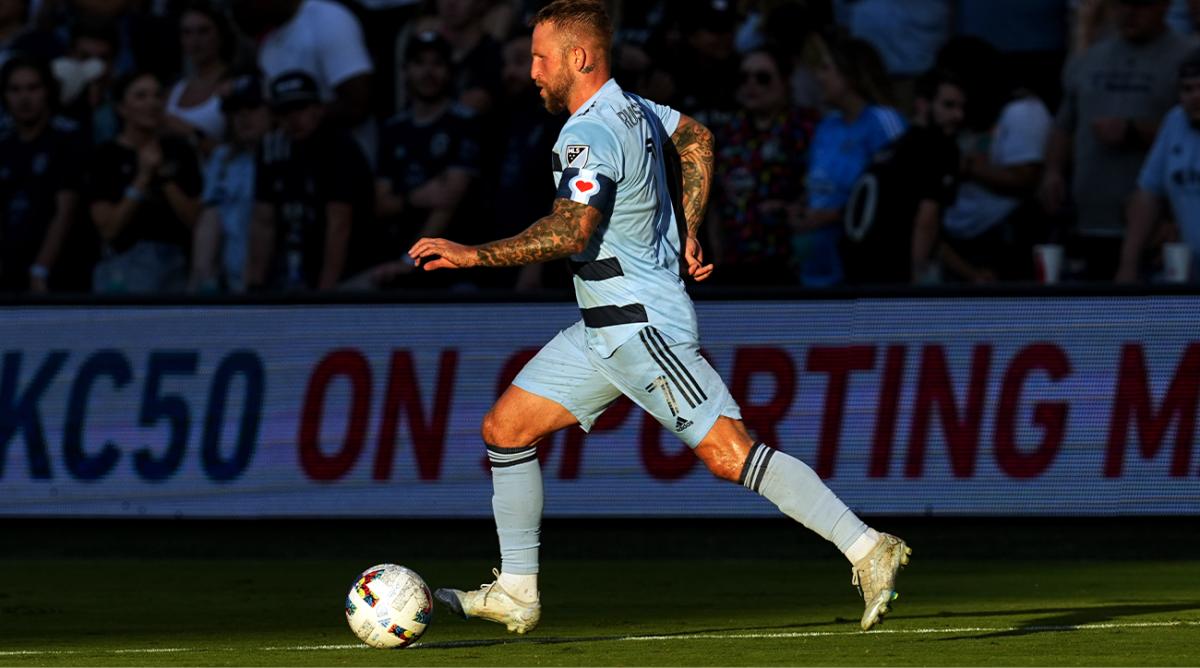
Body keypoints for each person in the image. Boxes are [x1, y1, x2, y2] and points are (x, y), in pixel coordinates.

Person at [409, 0, 911, 636]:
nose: (531, 70)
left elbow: (572, 229)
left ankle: (868, 546)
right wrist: (687, 229)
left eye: (540, 57)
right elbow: (697, 137)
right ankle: (516, 588)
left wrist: (471, 253)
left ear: (579, 58)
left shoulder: (584, 133)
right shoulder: (639, 109)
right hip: (600, 330)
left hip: (641, 328)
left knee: (730, 454)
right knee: (506, 430)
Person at [1042, 0, 1195, 279]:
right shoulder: (1089, 59)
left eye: (1140, 4)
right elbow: (1064, 123)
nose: (1129, 11)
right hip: (1091, 221)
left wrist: (1135, 131)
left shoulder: (1187, 57)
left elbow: (1191, 132)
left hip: (1159, 231)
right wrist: (1052, 172)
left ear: (1165, 5)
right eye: (1119, 4)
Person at [366, 31, 484, 291]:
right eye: (420, 63)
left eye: (437, 63)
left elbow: (448, 199)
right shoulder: (393, 129)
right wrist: (416, 197)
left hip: (454, 267)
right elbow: (381, 204)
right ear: (405, 70)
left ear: (449, 70)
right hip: (392, 263)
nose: (428, 72)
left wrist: (410, 261)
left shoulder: (464, 123)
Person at [244, 70, 377, 292]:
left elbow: (339, 225)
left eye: (300, 108)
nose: (293, 119)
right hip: (295, 271)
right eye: (284, 111)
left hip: (350, 274)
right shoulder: (271, 148)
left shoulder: (339, 147)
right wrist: (254, 284)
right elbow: (262, 221)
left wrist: (323, 296)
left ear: (318, 108)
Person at [842, 67, 964, 285]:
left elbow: (927, 232)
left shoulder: (892, 149)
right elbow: (926, 220)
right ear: (922, 105)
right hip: (891, 278)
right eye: (948, 105)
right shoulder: (940, 148)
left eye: (961, 107)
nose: (958, 115)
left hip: (858, 274)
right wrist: (917, 283)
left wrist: (970, 273)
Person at [707, 46, 818, 286]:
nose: (751, 85)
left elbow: (821, 188)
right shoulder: (727, 132)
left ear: (785, 82)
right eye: (744, 77)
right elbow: (715, 197)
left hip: (790, 265)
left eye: (763, 78)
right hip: (733, 265)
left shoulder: (807, 130)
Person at [801, 34, 906, 286]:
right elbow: (815, 186)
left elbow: (900, 193)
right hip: (818, 256)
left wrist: (837, 215)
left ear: (849, 74)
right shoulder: (827, 126)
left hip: (864, 258)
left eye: (826, 68)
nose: (819, 76)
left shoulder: (884, 121)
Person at [87, 70, 202, 293]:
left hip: (177, 270)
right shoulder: (104, 156)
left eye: (158, 96)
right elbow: (109, 229)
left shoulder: (181, 150)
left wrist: (163, 175)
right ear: (121, 107)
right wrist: (142, 177)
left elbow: (194, 221)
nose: (152, 103)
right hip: (121, 272)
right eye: (141, 96)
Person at [0, 55, 88, 293]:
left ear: (48, 91)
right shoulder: (4, 144)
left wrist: (41, 268)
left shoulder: (67, 139)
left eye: (32, 88)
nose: (24, 98)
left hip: (56, 273)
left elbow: (65, 211)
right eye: (15, 90)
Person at [1117, 49, 1200, 281]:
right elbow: (1147, 194)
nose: (1195, 96)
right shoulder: (1175, 121)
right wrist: (1128, 264)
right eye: (1187, 89)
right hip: (1188, 272)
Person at [189, 72, 270, 293]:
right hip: (231, 288)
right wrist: (199, 284)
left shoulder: (283, 155)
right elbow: (209, 221)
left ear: (270, 111)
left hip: (274, 287)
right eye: (236, 110)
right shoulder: (222, 158)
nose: (243, 117)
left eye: (252, 108)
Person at [164, 1, 236, 157]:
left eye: (203, 31)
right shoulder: (175, 89)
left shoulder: (234, 83)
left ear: (220, 35)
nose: (195, 41)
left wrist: (191, 134)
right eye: (187, 33)